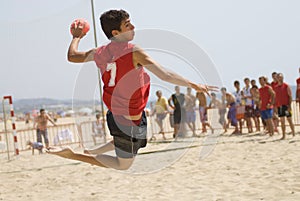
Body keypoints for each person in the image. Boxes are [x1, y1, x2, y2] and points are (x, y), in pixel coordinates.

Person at [48, 9, 217, 170]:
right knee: (123, 164)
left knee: (134, 142)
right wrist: (195, 85)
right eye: (127, 25)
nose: (133, 27)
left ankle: (94, 151)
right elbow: (165, 75)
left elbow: (72, 56)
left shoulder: (99, 52)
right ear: (115, 33)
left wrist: (76, 37)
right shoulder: (133, 51)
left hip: (123, 115)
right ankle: (72, 155)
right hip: (127, 120)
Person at [273, 73, 295, 139]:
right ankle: (284, 135)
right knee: (282, 121)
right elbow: (276, 98)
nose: (280, 78)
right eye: (279, 77)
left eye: (281, 77)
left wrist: (289, 106)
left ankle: (293, 133)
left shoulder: (286, 86)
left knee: (289, 120)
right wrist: (276, 107)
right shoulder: (276, 88)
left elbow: (290, 96)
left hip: (286, 106)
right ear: (276, 78)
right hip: (280, 106)